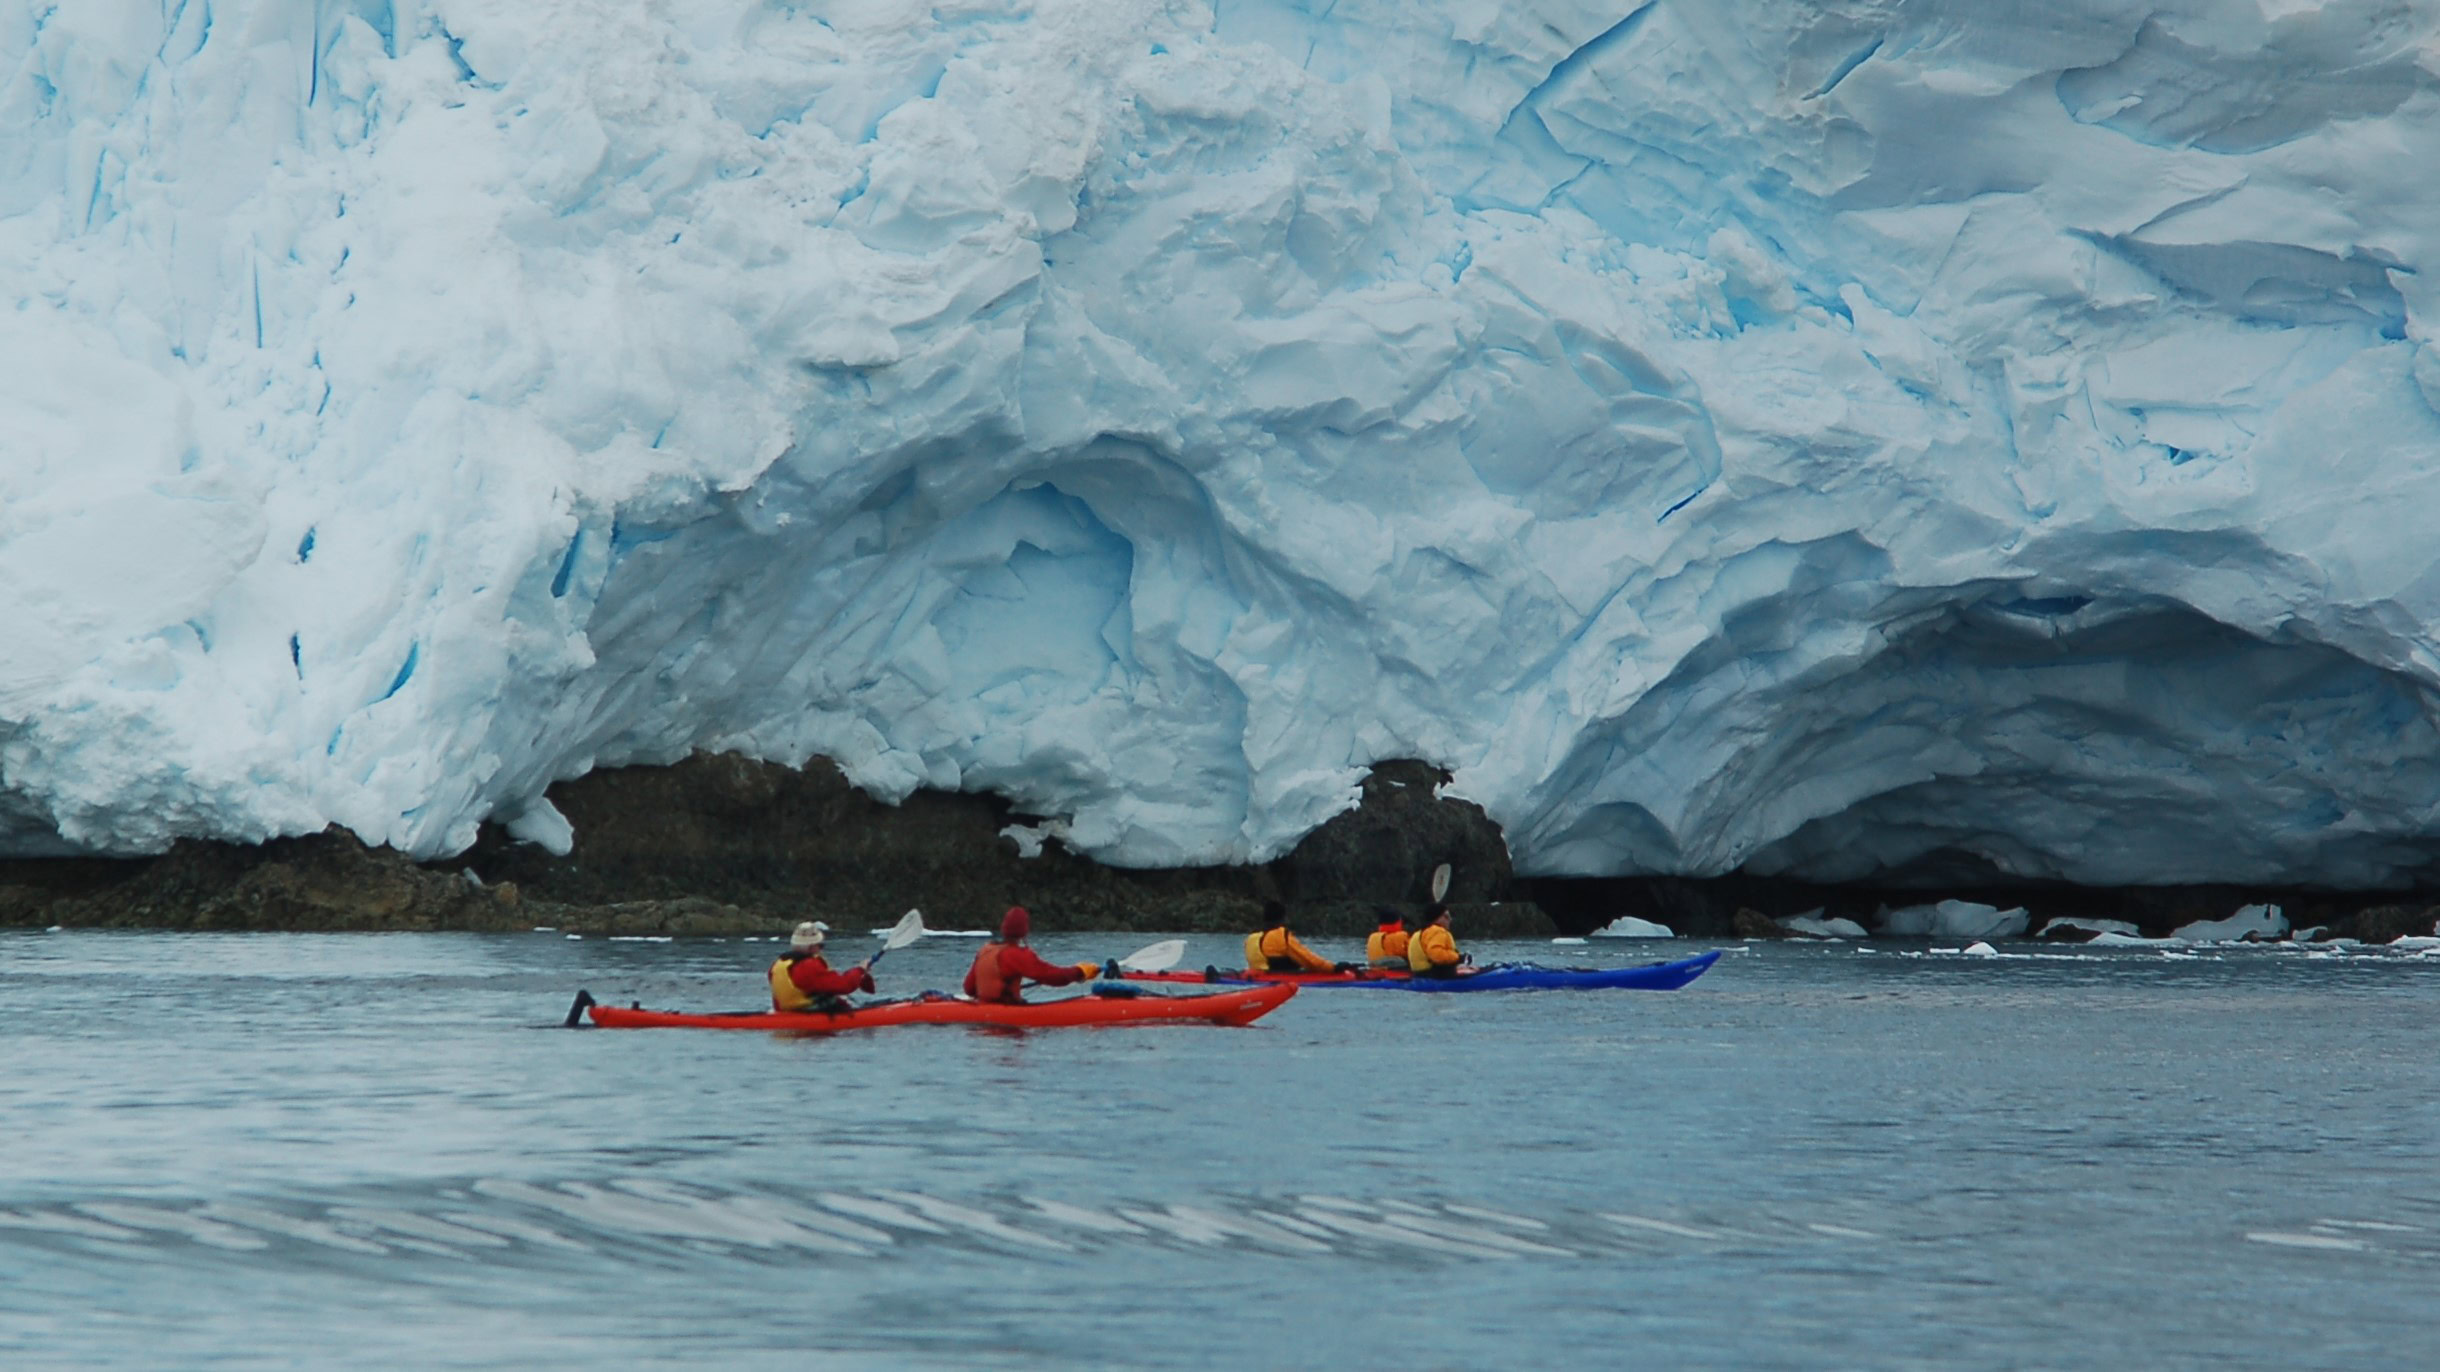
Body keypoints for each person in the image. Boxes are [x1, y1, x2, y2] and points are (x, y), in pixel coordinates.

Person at [965, 907, 1098, 1004]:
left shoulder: (985, 950)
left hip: (985, 1013)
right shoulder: (1017, 955)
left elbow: (969, 988)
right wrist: (1080, 972)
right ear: (1024, 931)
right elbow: (1053, 976)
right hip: (1006, 1021)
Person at [769, 920, 876, 1011]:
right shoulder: (809, 966)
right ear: (811, 947)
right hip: (810, 1013)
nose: (821, 949)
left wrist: (860, 974)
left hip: (787, 1012)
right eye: (820, 945)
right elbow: (844, 986)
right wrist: (859, 970)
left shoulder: (778, 964)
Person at [1243, 899, 1344, 973]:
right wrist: (1334, 968)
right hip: (1279, 978)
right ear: (1282, 918)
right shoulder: (1281, 936)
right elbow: (1308, 960)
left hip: (1255, 977)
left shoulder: (1251, 938)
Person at [1406, 903, 1465, 978]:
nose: (1450, 919)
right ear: (1436, 918)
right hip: (1435, 975)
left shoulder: (1419, 932)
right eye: (1446, 916)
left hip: (1420, 975)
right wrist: (1458, 957)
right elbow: (1437, 955)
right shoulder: (1437, 931)